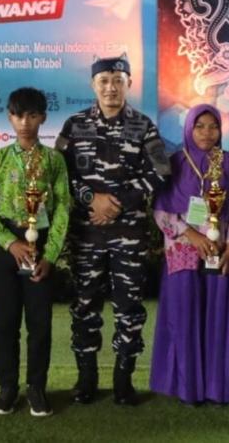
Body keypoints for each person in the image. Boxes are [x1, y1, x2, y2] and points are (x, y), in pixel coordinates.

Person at [56, 53, 169, 406]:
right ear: (93, 84)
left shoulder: (144, 126)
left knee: (129, 307)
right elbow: (60, 171)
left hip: (129, 234)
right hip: (87, 233)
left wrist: (116, 202)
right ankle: (86, 378)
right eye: (103, 81)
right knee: (84, 305)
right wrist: (92, 199)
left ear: (129, 83)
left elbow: (161, 171)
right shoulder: (75, 125)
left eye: (118, 81)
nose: (110, 87)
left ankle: (124, 380)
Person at [0, 87, 70, 416]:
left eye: (32, 115)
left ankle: (36, 388)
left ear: (43, 117)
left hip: (40, 247)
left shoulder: (54, 161)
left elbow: (62, 209)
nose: (25, 122)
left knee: (39, 324)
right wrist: (9, 242)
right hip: (7, 247)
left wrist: (50, 255)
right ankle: (7, 387)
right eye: (18, 115)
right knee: (4, 323)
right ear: (9, 117)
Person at [149, 104, 229, 405]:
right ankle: (187, 388)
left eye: (213, 126)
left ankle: (217, 388)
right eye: (199, 126)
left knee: (218, 318)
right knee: (184, 318)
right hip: (182, 252)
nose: (206, 133)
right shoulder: (175, 162)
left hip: (219, 253)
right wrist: (192, 236)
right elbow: (160, 211)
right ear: (189, 128)